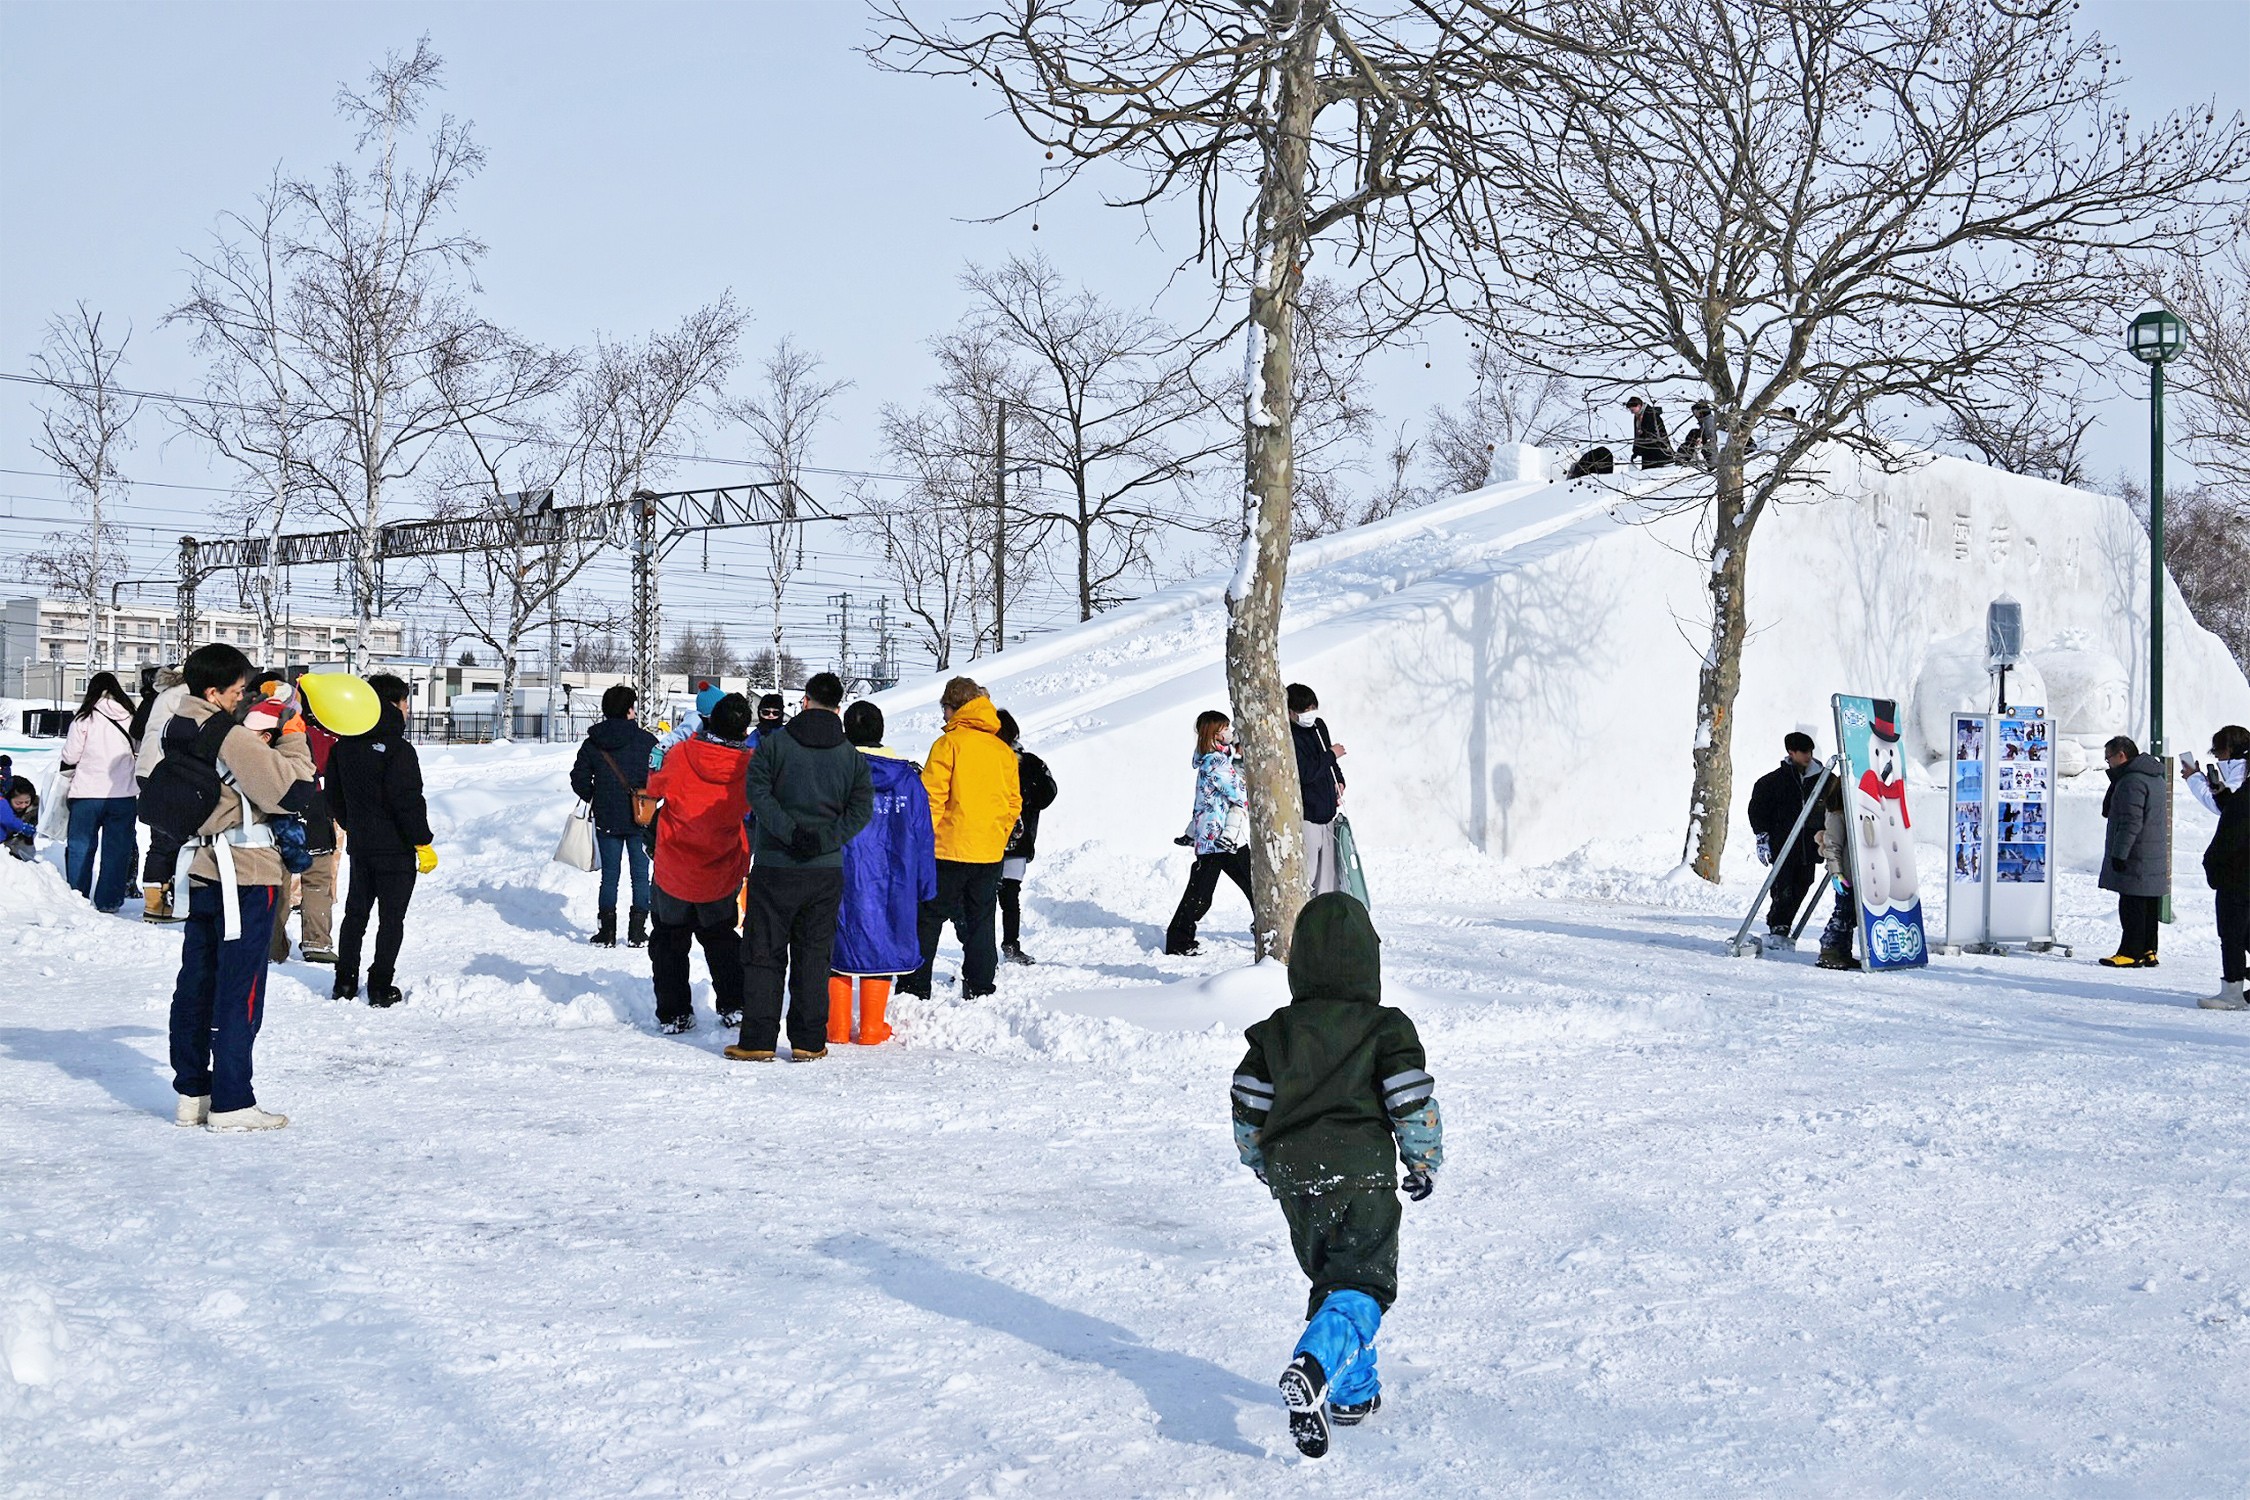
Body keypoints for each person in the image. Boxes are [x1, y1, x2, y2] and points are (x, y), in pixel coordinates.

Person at [1231, 893, 1443, 1459]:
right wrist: (1422, 1161)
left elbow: (1248, 1103)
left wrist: (1262, 1163)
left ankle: (1354, 1393)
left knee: (1337, 1284)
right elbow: (1409, 1099)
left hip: (1295, 1178)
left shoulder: (1276, 1032)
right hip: (1360, 1175)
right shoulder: (1385, 1027)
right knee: (1364, 1282)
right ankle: (1315, 1364)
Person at [157, 643, 317, 1131]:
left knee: (196, 982)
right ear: (214, 691)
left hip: (201, 867)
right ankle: (233, 1101)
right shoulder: (229, 736)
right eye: (238, 690)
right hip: (246, 873)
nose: (242, 697)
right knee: (240, 988)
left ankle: (193, 1093)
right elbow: (293, 791)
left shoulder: (176, 725)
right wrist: (293, 735)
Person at [727, 674, 874, 1061]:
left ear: (805, 701)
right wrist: (824, 840)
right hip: (824, 870)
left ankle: (758, 1040)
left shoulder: (774, 746)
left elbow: (757, 793)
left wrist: (790, 833)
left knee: (764, 952)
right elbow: (861, 810)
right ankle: (809, 1041)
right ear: (838, 708)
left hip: (775, 865)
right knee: (814, 955)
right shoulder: (851, 757)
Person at [900, 677, 1022, 1001]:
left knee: (927, 918)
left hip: (947, 849)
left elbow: (932, 800)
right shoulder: (1002, 750)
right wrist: (997, 834)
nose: (943, 715)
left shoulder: (948, 745)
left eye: (945, 708)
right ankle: (980, 986)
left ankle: (914, 987)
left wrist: (920, 842)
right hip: (988, 852)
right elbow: (1013, 803)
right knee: (980, 920)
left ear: (954, 707)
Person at [643, 692, 754, 1035]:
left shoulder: (681, 755)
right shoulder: (749, 766)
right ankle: (735, 1004)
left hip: (674, 866)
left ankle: (674, 1012)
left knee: (668, 940)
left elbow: (653, 788)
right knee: (722, 939)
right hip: (721, 867)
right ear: (744, 730)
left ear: (709, 722)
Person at [826, 701, 936, 1046]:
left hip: (839, 873)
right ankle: (872, 1027)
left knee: (836, 945)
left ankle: (836, 1026)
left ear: (846, 731)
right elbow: (923, 834)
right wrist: (926, 884)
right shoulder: (907, 779)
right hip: (894, 878)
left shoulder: (833, 773)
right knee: (883, 941)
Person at [326, 674, 436, 1008]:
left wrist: (354, 825)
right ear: (392, 704)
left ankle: (345, 981)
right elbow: (407, 799)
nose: (407, 709)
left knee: (355, 914)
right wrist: (422, 841)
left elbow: (334, 796)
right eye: (405, 702)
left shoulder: (343, 746)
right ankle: (379, 985)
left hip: (361, 846)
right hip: (396, 848)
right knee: (391, 918)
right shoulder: (398, 749)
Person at [570, 684, 658, 949]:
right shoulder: (647, 741)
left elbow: (578, 777)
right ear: (630, 710)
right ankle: (638, 932)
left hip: (607, 816)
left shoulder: (593, 742)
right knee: (640, 875)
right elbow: (660, 775)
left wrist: (595, 796)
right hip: (641, 816)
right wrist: (651, 799)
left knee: (609, 875)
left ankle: (606, 932)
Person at [1166, 710, 1253, 956]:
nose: (1230, 732)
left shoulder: (1215, 758)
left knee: (1251, 883)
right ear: (1215, 735)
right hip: (1217, 838)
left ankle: (1266, 925)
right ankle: (1178, 940)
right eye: (1225, 729)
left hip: (1220, 836)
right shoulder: (1215, 763)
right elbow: (1239, 793)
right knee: (1201, 894)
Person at [61, 671, 142, 914]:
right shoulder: (130, 716)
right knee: (117, 850)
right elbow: (139, 748)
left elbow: (70, 756)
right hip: (123, 794)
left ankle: (78, 897)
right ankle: (109, 901)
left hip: (86, 794)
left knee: (80, 847)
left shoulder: (84, 717)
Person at [2187, 725, 2250, 1010]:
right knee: (2244, 931)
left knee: (2232, 932)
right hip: (2240, 870)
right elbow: (2232, 809)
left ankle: (2232, 992)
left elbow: (2234, 827)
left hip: (2237, 872)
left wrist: (2212, 864)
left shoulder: (2244, 786)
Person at [2098, 736, 2170, 969]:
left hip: (2136, 853)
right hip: (2151, 851)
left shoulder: (2132, 781)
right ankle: (2149, 950)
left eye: (2109, 758)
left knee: (2132, 904)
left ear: (2121, 755)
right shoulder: (2154, 776)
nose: (2108, 763)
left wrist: (2119, 854)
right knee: (2148, 903)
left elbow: (2131, 821)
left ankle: (2130, 952)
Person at [994, 708, 1058, 965]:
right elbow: (1048, 793)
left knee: (994, 897)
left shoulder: (1028, 763)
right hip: (1009, 841)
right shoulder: (1029, 763)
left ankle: (999, 948)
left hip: (1000, 840)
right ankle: (1006, 946)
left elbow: (1047, 794)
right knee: (1007, 896)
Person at [1747, 732, 1822, 942]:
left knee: (1805, 882)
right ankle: (1779, 925)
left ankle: (1784, 922)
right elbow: (1757, 810)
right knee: (1783, 886)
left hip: (1810, 845)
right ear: (1791, 752)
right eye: (1803, 752)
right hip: (1783, 844)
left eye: (1810, 751)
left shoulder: (1822, 779)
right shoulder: (1772, 782)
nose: (1808, 756)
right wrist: (1762, 836)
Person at [135, 667, 191, 922]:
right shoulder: (184, 694)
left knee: (161, 839)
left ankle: (154, 901)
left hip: (149, 770)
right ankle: (162, 903)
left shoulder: (165, 694)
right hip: (165, 771)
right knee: (171, 840)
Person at [1288, 684, 1348, 897]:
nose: (1310, 714)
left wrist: (1339, 781)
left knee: (1328, 878)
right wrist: (1331, 755)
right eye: (1305, 710)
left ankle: (1326, 914)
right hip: (1307, 815)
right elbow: (1305, 772)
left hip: (1327, 812)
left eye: (1313, 708)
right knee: (1308, 873)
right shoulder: (1289, 735)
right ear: (1291, 712)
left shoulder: (1318, 726)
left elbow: (1330, 764)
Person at [1812, 775, 1860, 970]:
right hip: (1846, 873)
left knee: (1852, 915)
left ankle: (1843, 951)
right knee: (1843, 913)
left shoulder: (1857, 813)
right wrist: (1836, 873)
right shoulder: (1837, 814)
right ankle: (1829, 950)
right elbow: (1832, 845)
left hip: (1860, 874)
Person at [1625, 396, 1673, 469]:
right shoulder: (1638, 416)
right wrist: (1636, 451)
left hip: (1657, 450)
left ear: (1639, 406)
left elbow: (1658, 433)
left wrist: (1643, 434)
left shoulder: (1651, 415)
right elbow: (1637, 436)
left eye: (1633, 410)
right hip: (1647, 450)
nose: (1632, 412)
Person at [2, 776, 39, 860]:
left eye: (27, 802)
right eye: (18, 803)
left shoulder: (33, 810)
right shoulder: (3, 809)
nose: (23, 806)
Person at [1676, 399, 1718, 468]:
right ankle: (1684, 457)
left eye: (1696, 412)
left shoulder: (1708, 422)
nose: (1695, 414)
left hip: (1710, 454)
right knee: (1693, 433)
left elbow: (1712, 440)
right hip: (1706, 450)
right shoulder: (1704, 421)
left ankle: (1685, 457)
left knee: (1694, 434)